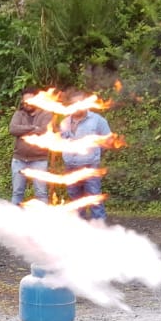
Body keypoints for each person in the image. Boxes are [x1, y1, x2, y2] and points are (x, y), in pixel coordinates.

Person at [59, 91, 112, 223]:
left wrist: (94, 154)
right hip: (70, 167)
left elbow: (108, 140)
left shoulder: (97, 120)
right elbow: (61, 141)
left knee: (94, 198)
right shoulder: (65, 122)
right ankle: (80, 228)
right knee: (76, 200)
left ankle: (99, 230)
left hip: (90, 167)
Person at [8, 88, 53, 205]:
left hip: (39, 160)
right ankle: (13, 220)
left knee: (41, 193)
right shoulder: (19, 113)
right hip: (19, 160)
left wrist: (22, 129)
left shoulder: (46, 114)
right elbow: (13, 129)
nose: (27, 103)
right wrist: (33, 128)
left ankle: (42, 221)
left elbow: (44, 130)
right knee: (17, 192)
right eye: (25, 101)